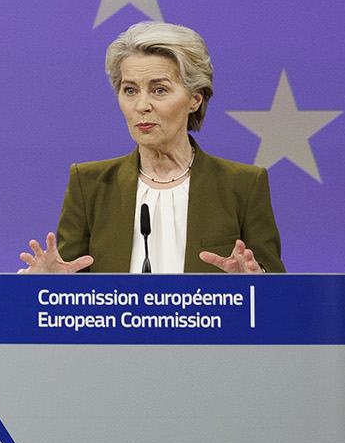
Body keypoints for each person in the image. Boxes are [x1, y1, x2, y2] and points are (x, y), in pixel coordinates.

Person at [19, 21, 282, 274]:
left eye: (159, 90)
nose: (142, 106)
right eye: (130, 90)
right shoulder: (89, 186)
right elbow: (71, 293)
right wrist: (47, 285)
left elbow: (280, 294)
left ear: (195, 99)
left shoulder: (243, 186)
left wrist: (257, 282)